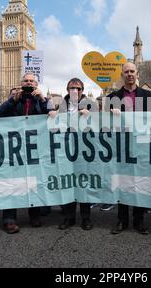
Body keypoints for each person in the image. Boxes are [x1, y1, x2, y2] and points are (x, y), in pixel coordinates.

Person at [0, 72, 54, 234]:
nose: (28, 84)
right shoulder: (14, 99)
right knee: (12, 183)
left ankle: (34, 215)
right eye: (26, 81)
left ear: (36, 85)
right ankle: (9, 219)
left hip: (35, 148)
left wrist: (42, 99)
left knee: (33, 181)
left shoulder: (43, 100)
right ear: (21, 84)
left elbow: (50, 116)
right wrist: (12, 100)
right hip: (15, 148)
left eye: (32, 81)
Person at [107, 62, 151, 235]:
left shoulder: (148, 95)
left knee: (140, 182)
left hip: (141, 144)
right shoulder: (112, 97)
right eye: (126, 72)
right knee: (123, 182)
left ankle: (139, 220)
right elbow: (106, 124)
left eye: (132, 71)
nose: (129, 74)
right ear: (122, 75)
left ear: (137, 73)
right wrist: (109, 114)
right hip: (121, 145)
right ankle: (122, 220)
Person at [50, 78, 94, 231]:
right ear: (67, 90)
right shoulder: (60, 105)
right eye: (72, 88)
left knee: (83, 183)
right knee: (68, 183)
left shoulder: (91, 104)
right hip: (66, 151)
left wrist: (92, 115)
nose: (75, 91)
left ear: (82, 90)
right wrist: (52, 114)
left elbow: (101, 123)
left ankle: (86, 218)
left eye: (78, 88)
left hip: (84, 151)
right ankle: (68, 217)